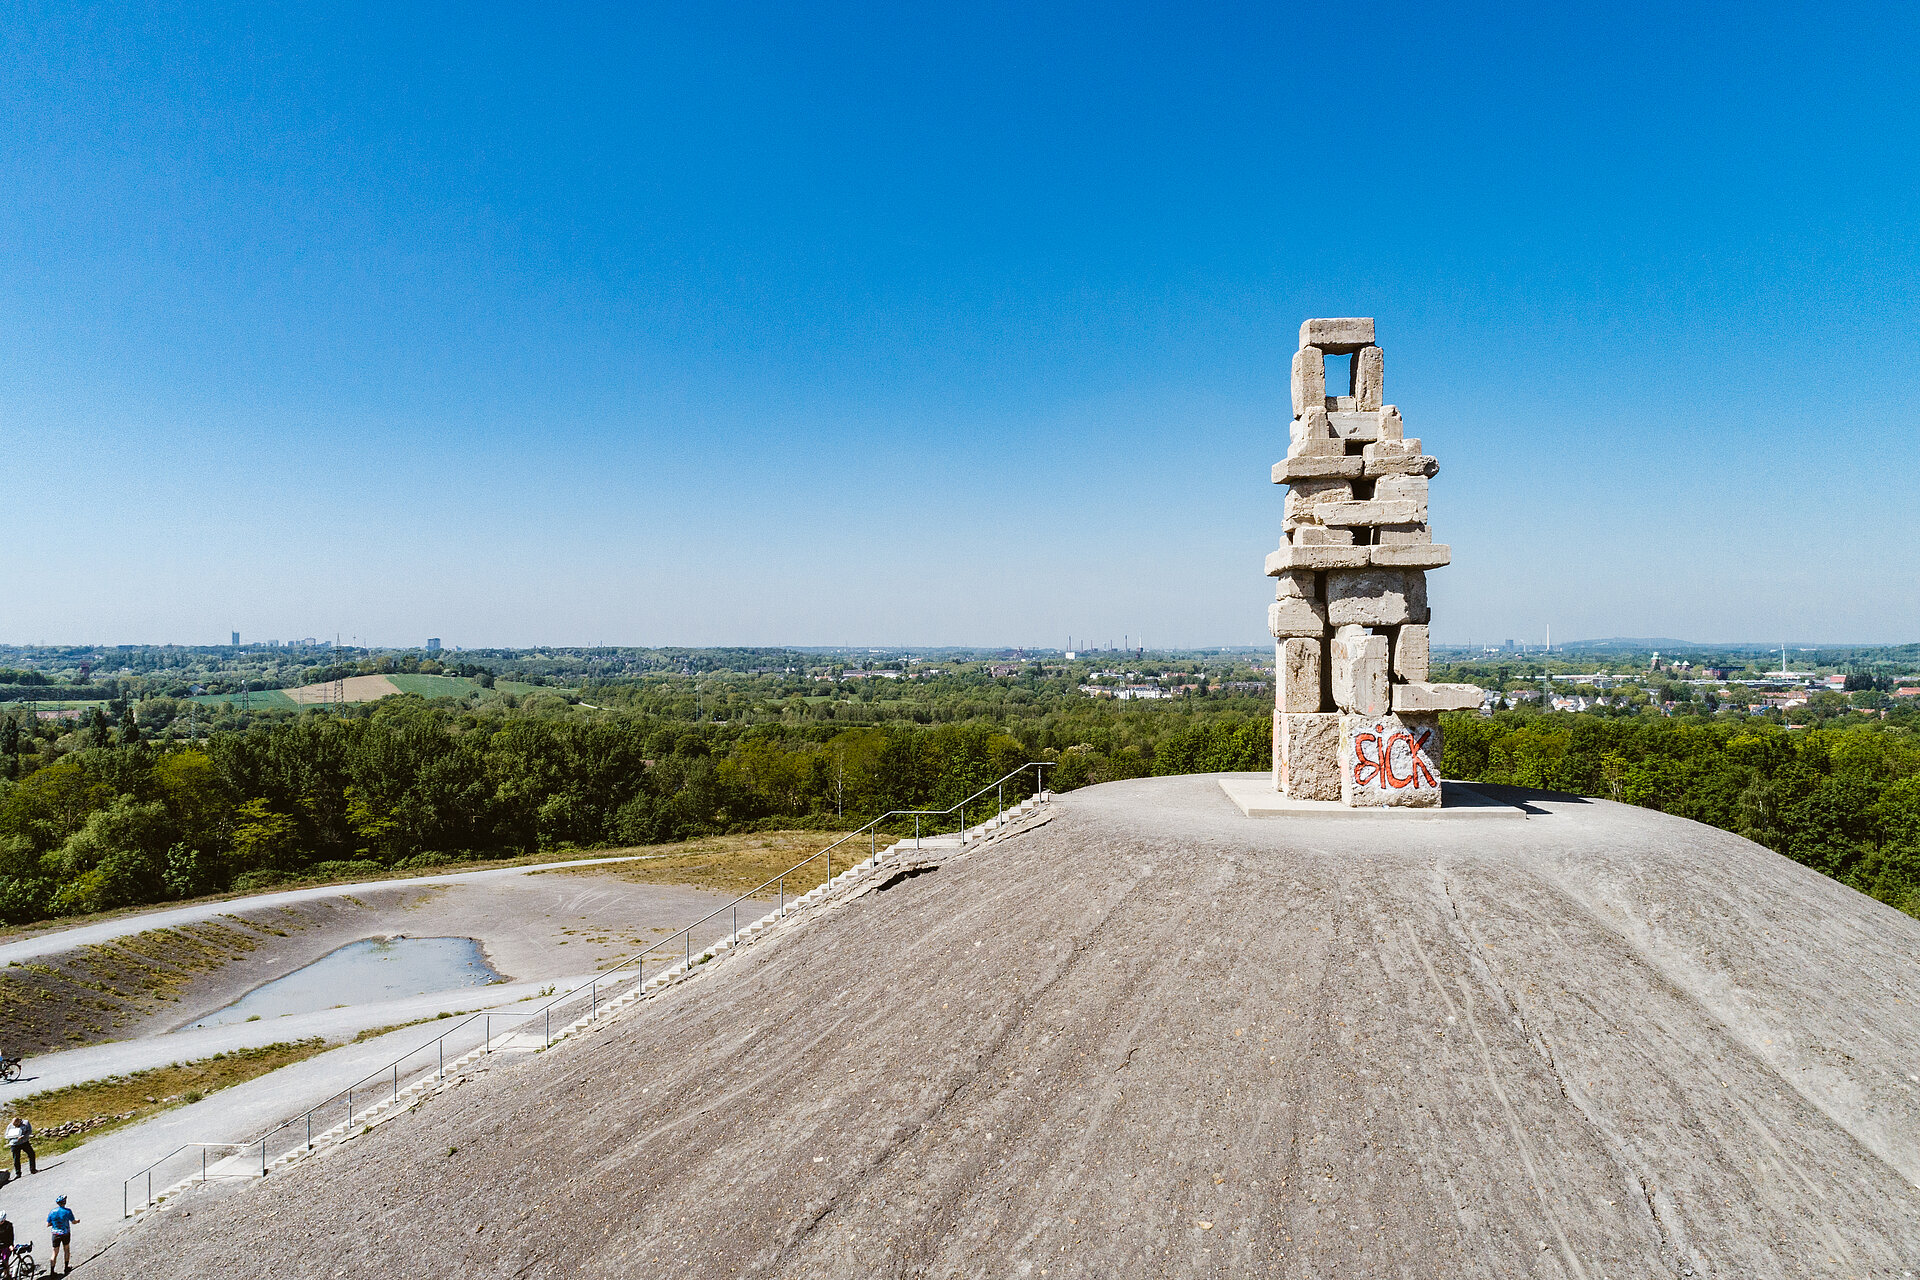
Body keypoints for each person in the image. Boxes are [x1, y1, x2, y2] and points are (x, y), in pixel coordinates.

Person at [47, 1195, 74, 1275]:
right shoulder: (68, 1211)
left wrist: (55, 1223)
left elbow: (47, 1224)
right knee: (66, 1249)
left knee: (54, 1252)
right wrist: (78, 1221)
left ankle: (52, 1271)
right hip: (65, 1233)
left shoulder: (52, 1212)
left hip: (55, 1234)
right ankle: (66, 1268)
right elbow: (73, 1221)